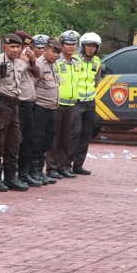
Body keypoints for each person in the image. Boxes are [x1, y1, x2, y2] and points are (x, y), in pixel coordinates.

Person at [0, 33, 33, 192]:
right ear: (4, 47)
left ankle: (10, 177)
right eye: (12, 47)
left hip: (14, 105)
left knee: (14, 142)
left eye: (18, 47)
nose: (15, 50)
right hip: (0, 104)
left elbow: (24, 68)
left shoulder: (18, 62)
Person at [46, 30, 80, 180]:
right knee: (55, 136)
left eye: (74, 44)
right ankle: (51, 167)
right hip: (58, 102)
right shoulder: (57, 62)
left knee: (67, 137)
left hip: (71, 103)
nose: (71, 47)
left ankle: (63, 166)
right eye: (68, 44)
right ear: (62, 45)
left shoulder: (77, 63)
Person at [67, 32, 103, 176]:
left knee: (86, 134)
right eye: (88, 45)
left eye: (94, 46)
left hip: (90, 102)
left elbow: (96, 80)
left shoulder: (97, 62)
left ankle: (78, 165)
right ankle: (67, 164)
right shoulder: (74, 60)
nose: (91, 48)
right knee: (74, 133)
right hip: (77, 103)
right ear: (83, 46)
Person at [30, 38, 62, 185]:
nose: (56, 55)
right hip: (40, 108)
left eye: (58, 52)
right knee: (37, 140)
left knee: (47, 140)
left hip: (52, 109)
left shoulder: (54, 65)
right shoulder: (39, 65)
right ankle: (33, 170)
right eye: (53, 52)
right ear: (45, 50)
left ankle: (40, 170)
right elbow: (32, 86)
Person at [15, 31, 41, 187]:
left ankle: (24, 173)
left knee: (28, 140)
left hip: (29, 105)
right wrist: (22, 62)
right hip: (17, 104)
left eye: (28, 47)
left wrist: (32, 61)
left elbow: (38, 74)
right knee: (15, 142)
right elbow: (13, 76)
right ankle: (12, 174)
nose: (26, 50)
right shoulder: (12, 61)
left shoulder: (28, 60)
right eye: (23, 47)